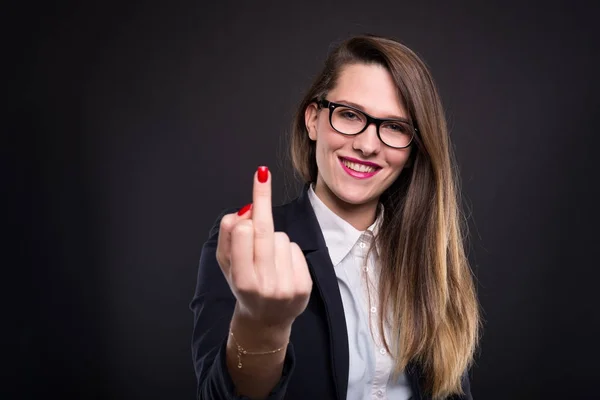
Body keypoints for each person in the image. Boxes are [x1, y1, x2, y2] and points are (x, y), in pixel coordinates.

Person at [190, 34, 480, 400]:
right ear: (313, 120)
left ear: (413, 149)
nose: (368, 144)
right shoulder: (247, 245)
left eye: (394, 127)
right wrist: (260, 327)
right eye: (349, 114)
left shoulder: (431, 255)